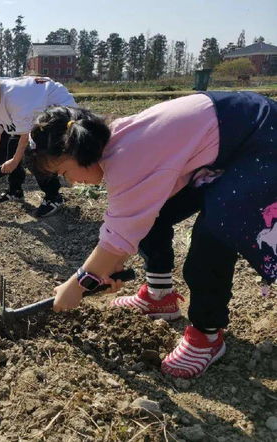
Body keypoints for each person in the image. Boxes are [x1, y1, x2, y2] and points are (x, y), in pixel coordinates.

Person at [29, 92, 276, 378]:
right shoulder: (116, 143)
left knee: (214, 236)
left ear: (79, 153)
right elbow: (130, 220)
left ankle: (206, 336)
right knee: (153, 215)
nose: (70, 182)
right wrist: (111, 263)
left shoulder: (128, 158)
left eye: (64, 172)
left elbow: (119, 235)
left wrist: (79, 283)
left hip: (263, 140)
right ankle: (160, 297)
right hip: (229, 141)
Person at [0, 50, 73, 217]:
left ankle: (54, 197)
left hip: (62, 114)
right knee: (11, 144)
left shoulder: (15, 97)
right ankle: (15, 190)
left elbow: (26, 136)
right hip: (36, 117)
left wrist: (15, 161)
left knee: (33, 152)